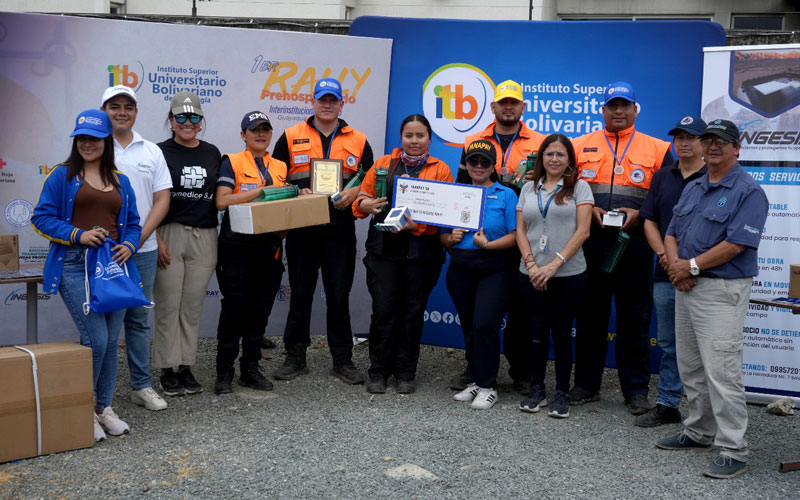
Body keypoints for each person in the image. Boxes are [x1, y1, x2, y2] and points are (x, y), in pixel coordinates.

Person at [656, 119, 768, 479]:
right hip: (686, 285)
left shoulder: (749, 192)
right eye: (708, 140)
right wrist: (678, 267)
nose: (713, 146)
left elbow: (737, 244)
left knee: (722, 372)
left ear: (737, 147)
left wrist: (689, 267)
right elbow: (671, 231)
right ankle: (699, 431)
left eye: (722, 141)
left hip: (720, 290)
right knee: (690, 365)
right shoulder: (695, 186)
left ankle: (734, 450)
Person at [31, 109, 142, 441]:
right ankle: (83, 408)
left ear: (107, 140)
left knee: (109, 344)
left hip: (112, 267)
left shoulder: (120, 179)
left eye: (94, 138)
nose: (87, 143)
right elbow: (41, 218)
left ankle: (102, 410)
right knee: (97, 340)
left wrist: (130, 246)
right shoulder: (61, 176)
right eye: (81, 138)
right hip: (75, 264)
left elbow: (134, 223)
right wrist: (78, 234)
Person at [571, 81, 675, 415]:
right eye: (612, 106)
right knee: (590, 318)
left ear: (635, 109)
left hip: (637, 245)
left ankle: (635, 391)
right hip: (592, 243)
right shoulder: (578, 145)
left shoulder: (658, 149)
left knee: (635, 320)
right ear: (602, 110)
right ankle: (586, 385)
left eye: (625, 105)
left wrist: (640, 214)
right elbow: (566, 191)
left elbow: (666, 198)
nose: (618, 111)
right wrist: (590, 210)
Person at [272, 78, 374, 385]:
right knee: (300, 294)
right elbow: (275, 179)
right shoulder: (291, 135)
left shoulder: (358, 138)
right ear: (312, 102)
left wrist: (353, 195)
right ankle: (295, 357)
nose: (327, 104)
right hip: (302, 229)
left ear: (342, 104)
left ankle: (342, 360)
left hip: (340, 229)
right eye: (322, 99)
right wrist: (294, 193)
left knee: (338, 297)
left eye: (333, 99)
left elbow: (367, 178)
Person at [451, 79, 546, 394]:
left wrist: (540, 177)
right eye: (502, 102)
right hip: (486, 235)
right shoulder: (475, 141)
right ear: (493, 107)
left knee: (520, 312)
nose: (508, 107)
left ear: (522, 107)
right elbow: (462, 190)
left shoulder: (541, 142)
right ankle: (476, 368)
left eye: (513, 102)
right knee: (479, 317)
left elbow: (558, 183)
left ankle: (520, 372)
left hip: (529, 234)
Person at [352, 114, 453, 394]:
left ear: (429, 138)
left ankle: (406, 372)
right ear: (401, 138)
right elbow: (361, 199)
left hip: (421, 255)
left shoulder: (441, 169)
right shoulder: (384, 164)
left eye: (420, 136)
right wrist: (366, 203)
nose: (414, 141)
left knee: (412, 313)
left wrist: (416, 226)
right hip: (383, 253)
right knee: (384, 311)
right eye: (409, 135)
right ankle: (378, 372)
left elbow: (442, 215)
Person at [102, 85, 172, 412]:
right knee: (105, 325)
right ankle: (99, 397)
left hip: (140, 251)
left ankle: (140, 386)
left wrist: (139, 239)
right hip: (102, 252)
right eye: (114, 106)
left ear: (136, 112)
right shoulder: (94, 146)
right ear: (105, 110)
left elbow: (162, 200)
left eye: (127, 106)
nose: (121, 112)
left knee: (139, 320)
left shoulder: (151, 151)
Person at [635, 116, 707, 427]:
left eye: (691, 137)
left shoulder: (714, 177)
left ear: (704, 142)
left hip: (705, 275)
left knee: (705, 344)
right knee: (668, 343)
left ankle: (705, 411)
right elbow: (649, 220)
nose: (684, 142)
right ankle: (667, 403)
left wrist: (688, 265)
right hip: (666, 272)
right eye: (678, 137)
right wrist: (666, 257)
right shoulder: (663, 176)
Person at [516, 134, 593, 418]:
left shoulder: (580, 188)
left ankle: (562, 392)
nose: (554, 159)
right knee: (536, 333)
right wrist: (532, 264)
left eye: (561, 154)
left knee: (561, 334)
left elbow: (583, 231)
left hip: (568, 274)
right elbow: (521, 231)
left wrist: (553, 266)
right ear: (541, 157)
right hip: (531, 273)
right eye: (549, 154)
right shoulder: (528, 187)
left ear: (569, 159)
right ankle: (537, 390)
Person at [213, 111, 288, 394]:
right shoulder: (231, 161)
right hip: (236, 248)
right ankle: (224, 373)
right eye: (254, 130)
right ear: (243, 135)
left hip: (269, 249)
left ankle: (250, 370)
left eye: (265, 129)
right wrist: (260, 192)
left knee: (259, 314)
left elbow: (286, 207)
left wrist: (285, 228)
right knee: (234, 311)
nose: (260, 134)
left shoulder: (280, 166)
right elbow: (222, 202)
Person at [152, 92, 221, 397]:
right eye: (181, 117)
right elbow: (146, 199)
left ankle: (186, 367)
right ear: (171, 121)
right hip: (169, 232)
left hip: (205, 236)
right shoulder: (157, 152)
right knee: (169, 305)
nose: (188, 123)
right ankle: (167, 368)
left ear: (201, 122)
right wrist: (155, 238)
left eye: (194, 117)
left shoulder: (212, 152)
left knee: (191, 307)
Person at [444, 139, 518, 409]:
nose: (478, 166)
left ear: (492, 166)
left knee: (485, 324)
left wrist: (488, 245)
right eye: (473, 161)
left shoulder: (507, 194)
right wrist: (450, 238)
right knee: (470, 326)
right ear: (466, 164)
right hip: (461, 267)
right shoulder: (456, 192)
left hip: (496, 266)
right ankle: (476, 380)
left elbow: (514, 236)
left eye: (484, 162)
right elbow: (442, 237)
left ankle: (488, 386)